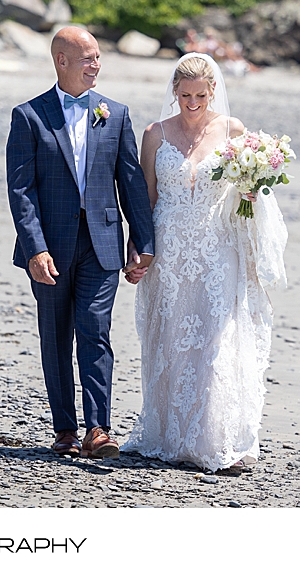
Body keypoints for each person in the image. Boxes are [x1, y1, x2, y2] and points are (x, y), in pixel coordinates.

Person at [121, 53, 287, 473]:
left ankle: (215, 439)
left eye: (199, 95)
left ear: (213, 91)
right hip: (170, 251)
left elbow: (242, 190)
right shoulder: (155, 134)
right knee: (172, 340)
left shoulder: (233, 131)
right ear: (173, 91)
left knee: (216, 340)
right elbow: (147, 198)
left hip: (217, 249)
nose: (191, 103)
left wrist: (251, 192)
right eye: (184, 95)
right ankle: (171, 435)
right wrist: (138, 249)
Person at [6, 26, 155, 459]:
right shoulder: (29, 116)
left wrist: (141, 243)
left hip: (103, 244)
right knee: (55, 338)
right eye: (88, 57)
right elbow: (21, 190)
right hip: (49, 248)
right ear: (61, 61)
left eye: (98, 57)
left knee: (95, 330)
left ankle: (98, 429)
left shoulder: (116, 113)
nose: (96, 65)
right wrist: (34, 248)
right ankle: (65, 430)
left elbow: (130, 183)